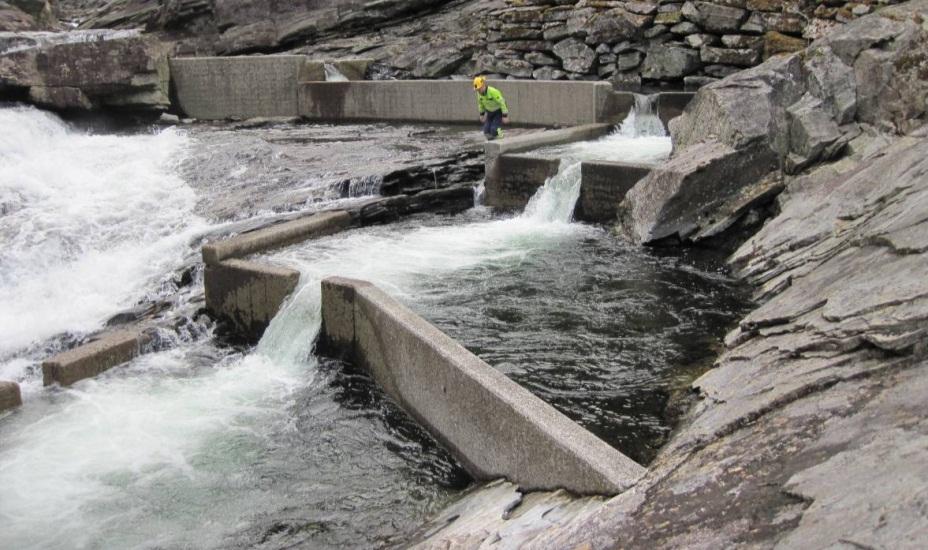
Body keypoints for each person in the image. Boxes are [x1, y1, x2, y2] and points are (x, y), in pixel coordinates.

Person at [473, 76, 509, 140]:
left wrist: (505, 116)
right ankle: (491, 141)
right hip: (489, 112)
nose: (478, 91)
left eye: (479, 89)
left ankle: (501, 135)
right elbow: (480, 104)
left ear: (483, 85)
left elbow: (502, 102)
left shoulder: (493, 91)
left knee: (494, 130)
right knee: (486, 131)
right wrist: (481, 115)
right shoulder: (479, 94)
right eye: (477, 90)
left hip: (498, 112)